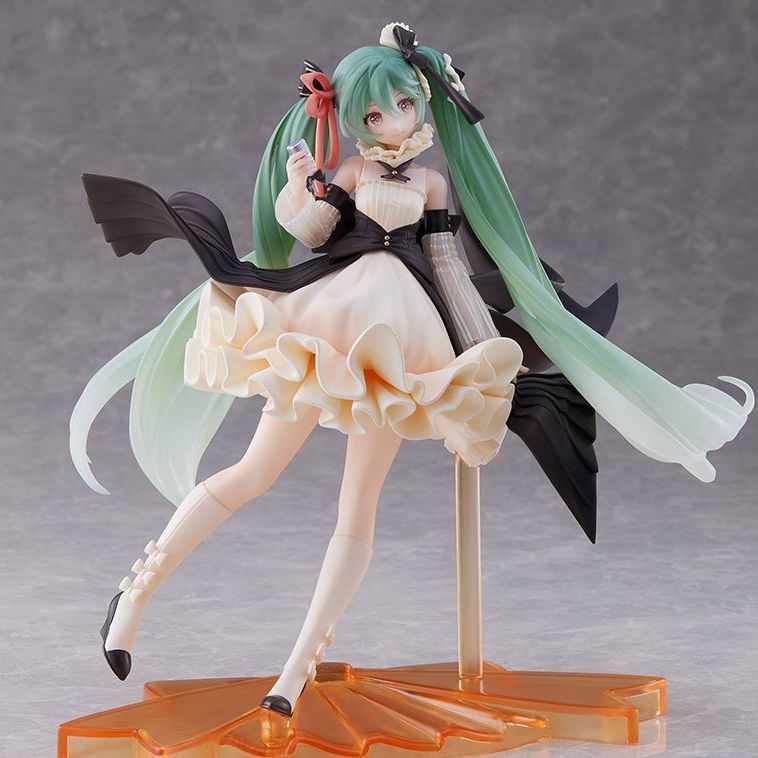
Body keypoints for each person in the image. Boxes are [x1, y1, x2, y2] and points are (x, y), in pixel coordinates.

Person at [72, 21, 753, 719]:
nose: (394, 122)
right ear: (354, 118)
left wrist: (478, 347)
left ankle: (295, 672)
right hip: (334, 322)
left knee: (358, 505)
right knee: (254, 471)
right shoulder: (353, 172)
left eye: (403, 105)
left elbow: (448, 264)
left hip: (406, 338)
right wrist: (298, 187)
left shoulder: (430, 182)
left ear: (421, 102)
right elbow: (312, 233)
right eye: (375, 113)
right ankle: (134, 596)